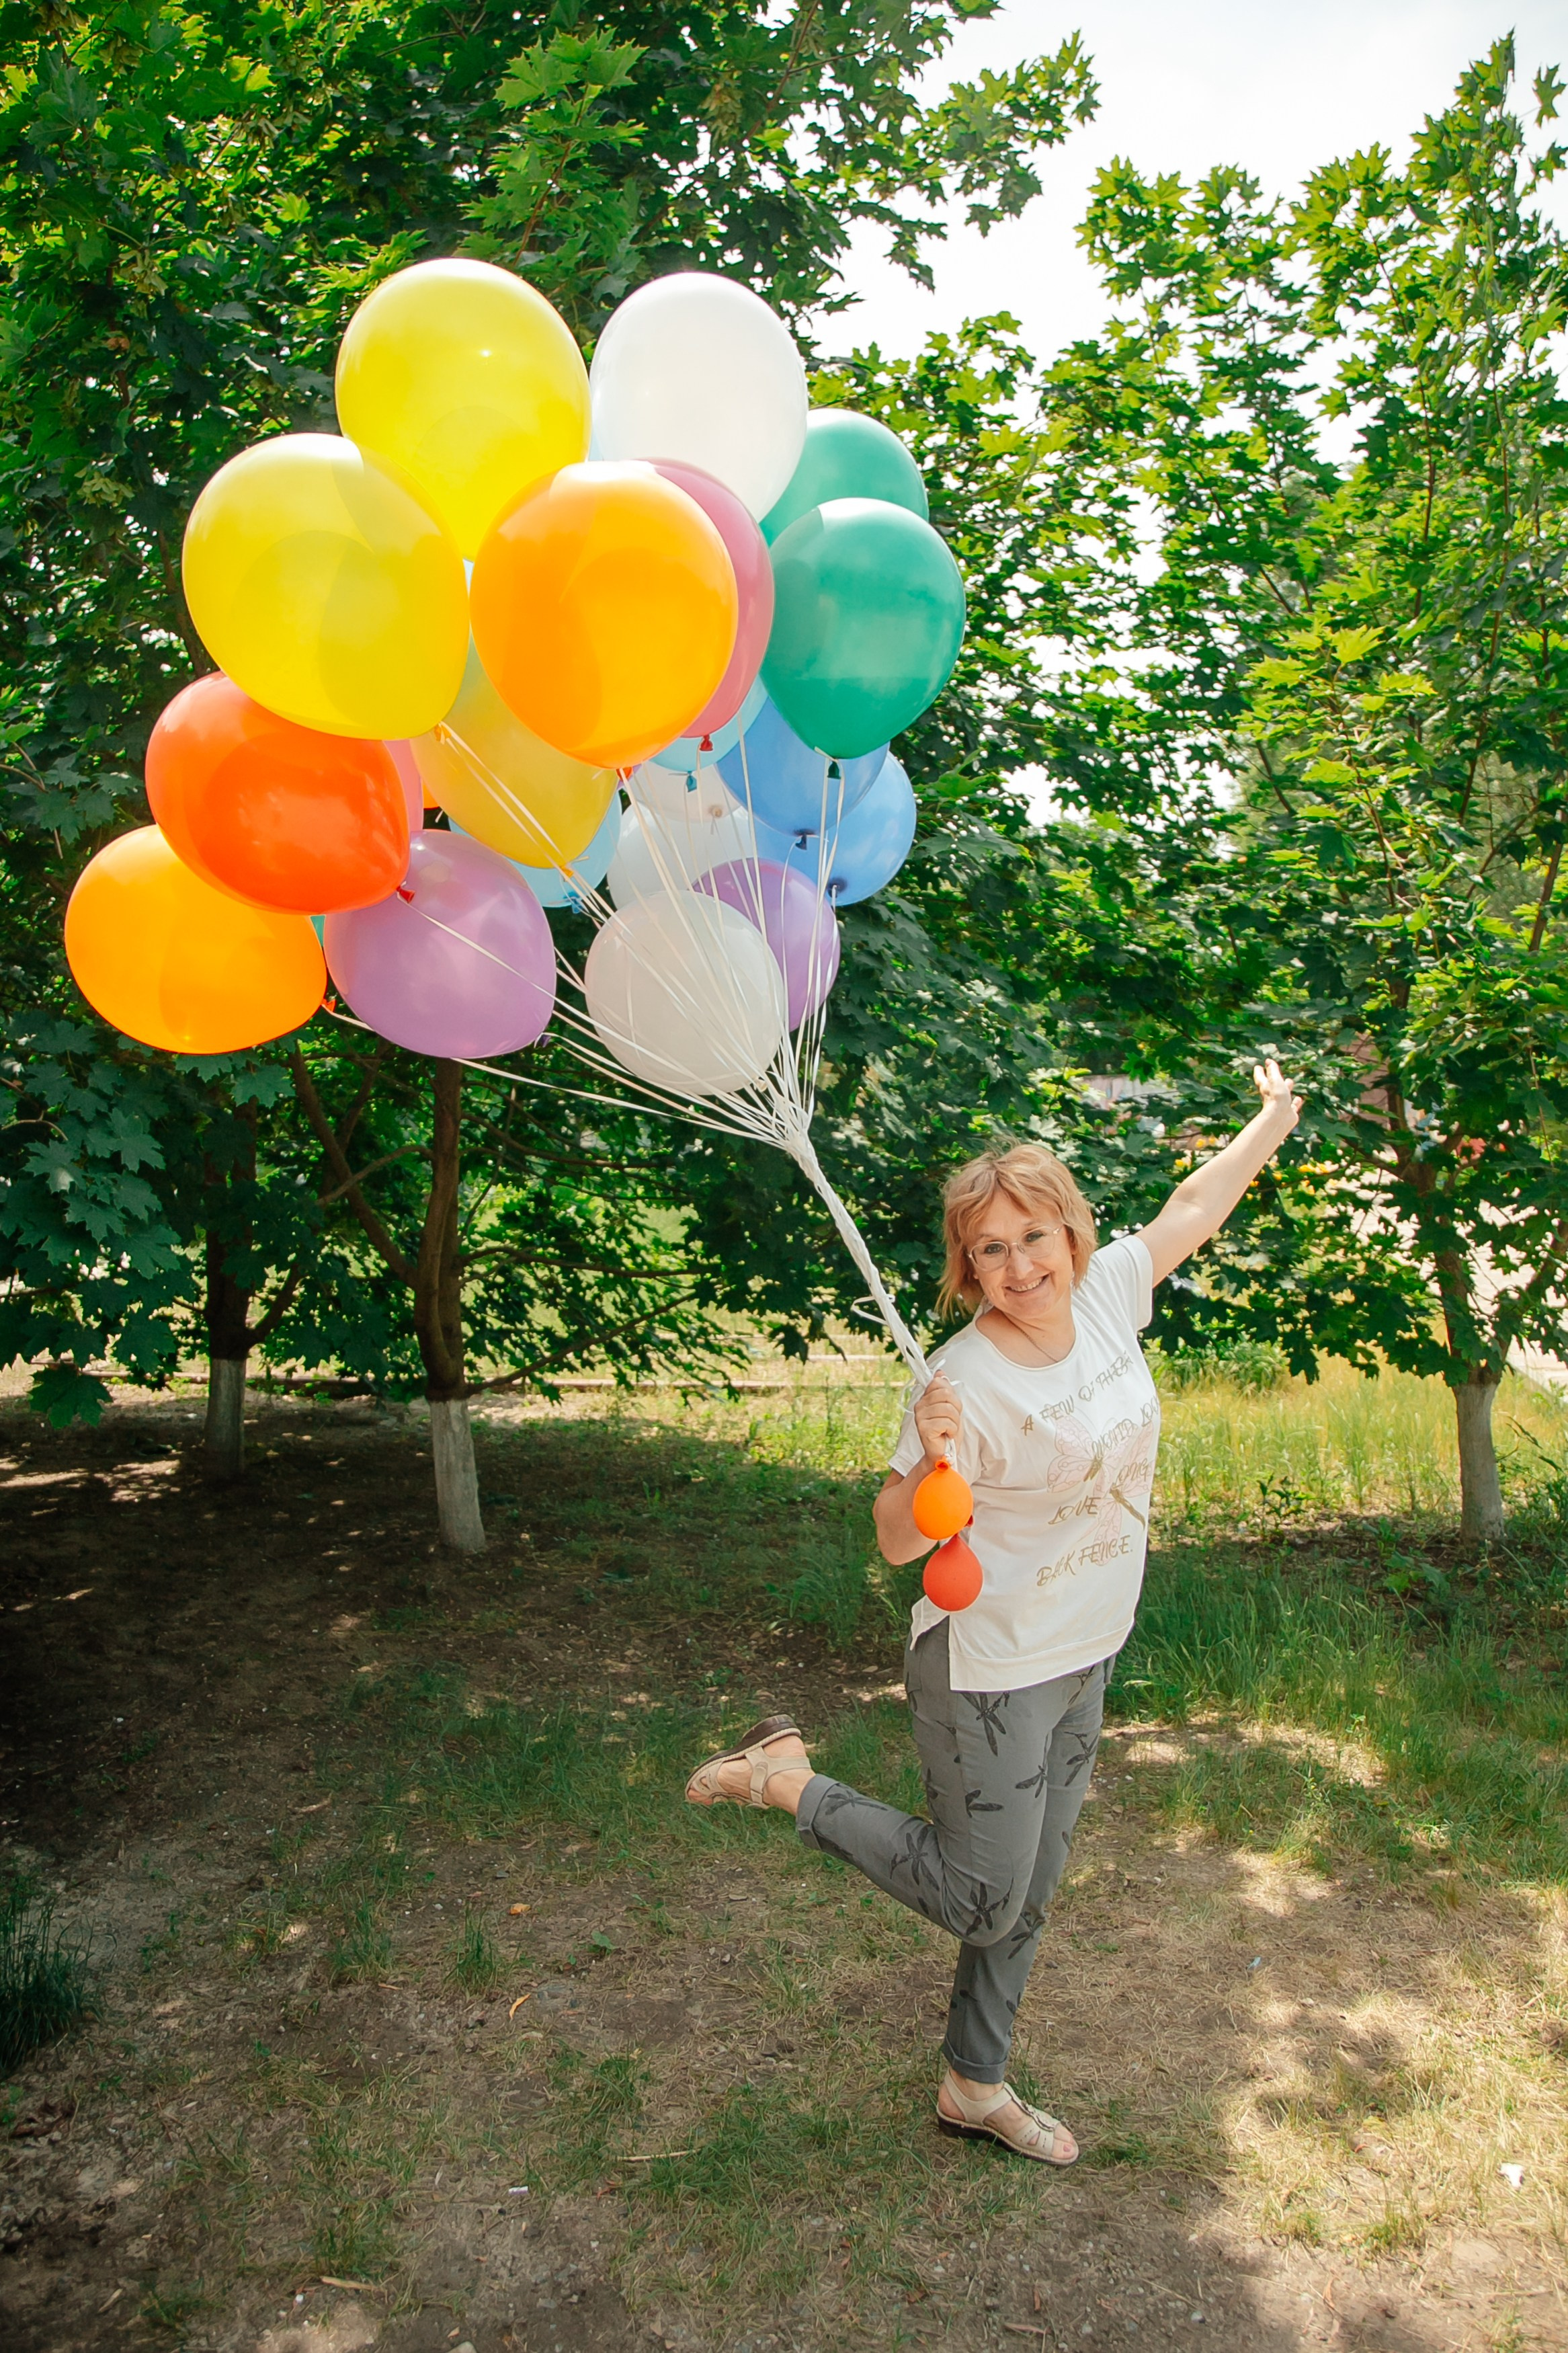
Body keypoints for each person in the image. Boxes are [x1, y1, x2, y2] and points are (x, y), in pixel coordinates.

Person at [686, 1062, 1302, 2165]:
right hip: (991, 1665)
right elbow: (891, 1539)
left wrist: (1270, 1119)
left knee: (1028, 1893)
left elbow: (1192, 1208)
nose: (1016, 1268)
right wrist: (932, 1464)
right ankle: (784, 1778)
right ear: (964, 1266)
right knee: (978, 1896)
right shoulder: (958, 1382)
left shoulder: (1110, 1294)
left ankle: (973, 2082)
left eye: (1032, 1238)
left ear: (1069, 1232)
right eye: (987, 1250)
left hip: (1087, 1646)